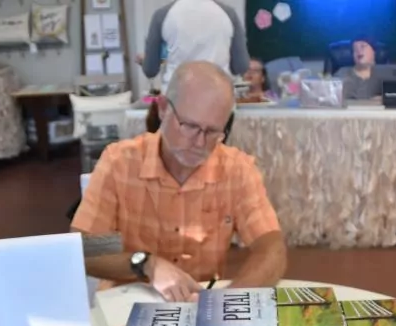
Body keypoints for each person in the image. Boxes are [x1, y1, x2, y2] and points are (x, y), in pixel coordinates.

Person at [71, 61, 287, 303]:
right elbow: (85, 248)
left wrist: (230, 299)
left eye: (212, 132)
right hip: (127, 303)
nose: (199, 143)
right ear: (163, 108)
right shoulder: (120, 162)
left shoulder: (236, 169)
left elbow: (271, 249)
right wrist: (146, 264)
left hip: (198, 305)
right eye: (190, 126)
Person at [137, 0, 250, 93]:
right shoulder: (229, 14)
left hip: (178, 93)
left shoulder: (162, 15)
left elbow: (150, 70)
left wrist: (146, 60)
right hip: (219, 93)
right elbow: (241, 66)